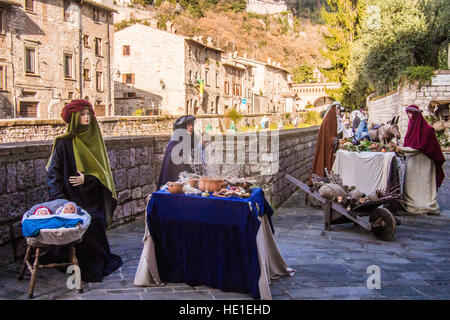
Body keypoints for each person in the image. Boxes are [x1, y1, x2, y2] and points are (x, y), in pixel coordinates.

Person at [44, 99, 122, 282]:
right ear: (74, 118)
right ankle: (69, 258)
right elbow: (53, 174)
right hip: (70, 199)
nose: (87, 117)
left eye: (89, 114)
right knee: (76, 221)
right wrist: (60, 202)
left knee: (94, 222)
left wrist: (87, 178)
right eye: (83, 114)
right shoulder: (64, 144)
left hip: (93, 198)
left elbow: (103, 174)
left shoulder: (95, 141)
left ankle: (92, 261)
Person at [396, 105, 445, 215]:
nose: (408, 116)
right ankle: (412, 203)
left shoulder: (426, 130)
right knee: (412, 183)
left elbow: (418, 148)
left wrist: (400, 149)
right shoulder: (412, 127)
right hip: (413, 162)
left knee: (424, 184)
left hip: (424, 163)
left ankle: (425, 205)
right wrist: (400, 150)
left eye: (409, 113)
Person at [157, 115, 198, 189]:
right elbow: (172, 168)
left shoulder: (189, 141)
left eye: (192, 125)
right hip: (173, 182)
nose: (191, 127)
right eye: (188, 125)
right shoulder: (174, 143)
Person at [307, 101, 339, 187]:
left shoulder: (332, 119)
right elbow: (328, 138)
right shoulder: (328, 120)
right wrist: (337, 141)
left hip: (329, 147)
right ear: (334, 109)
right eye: (338, 109)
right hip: (325, 147)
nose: (339, 111)